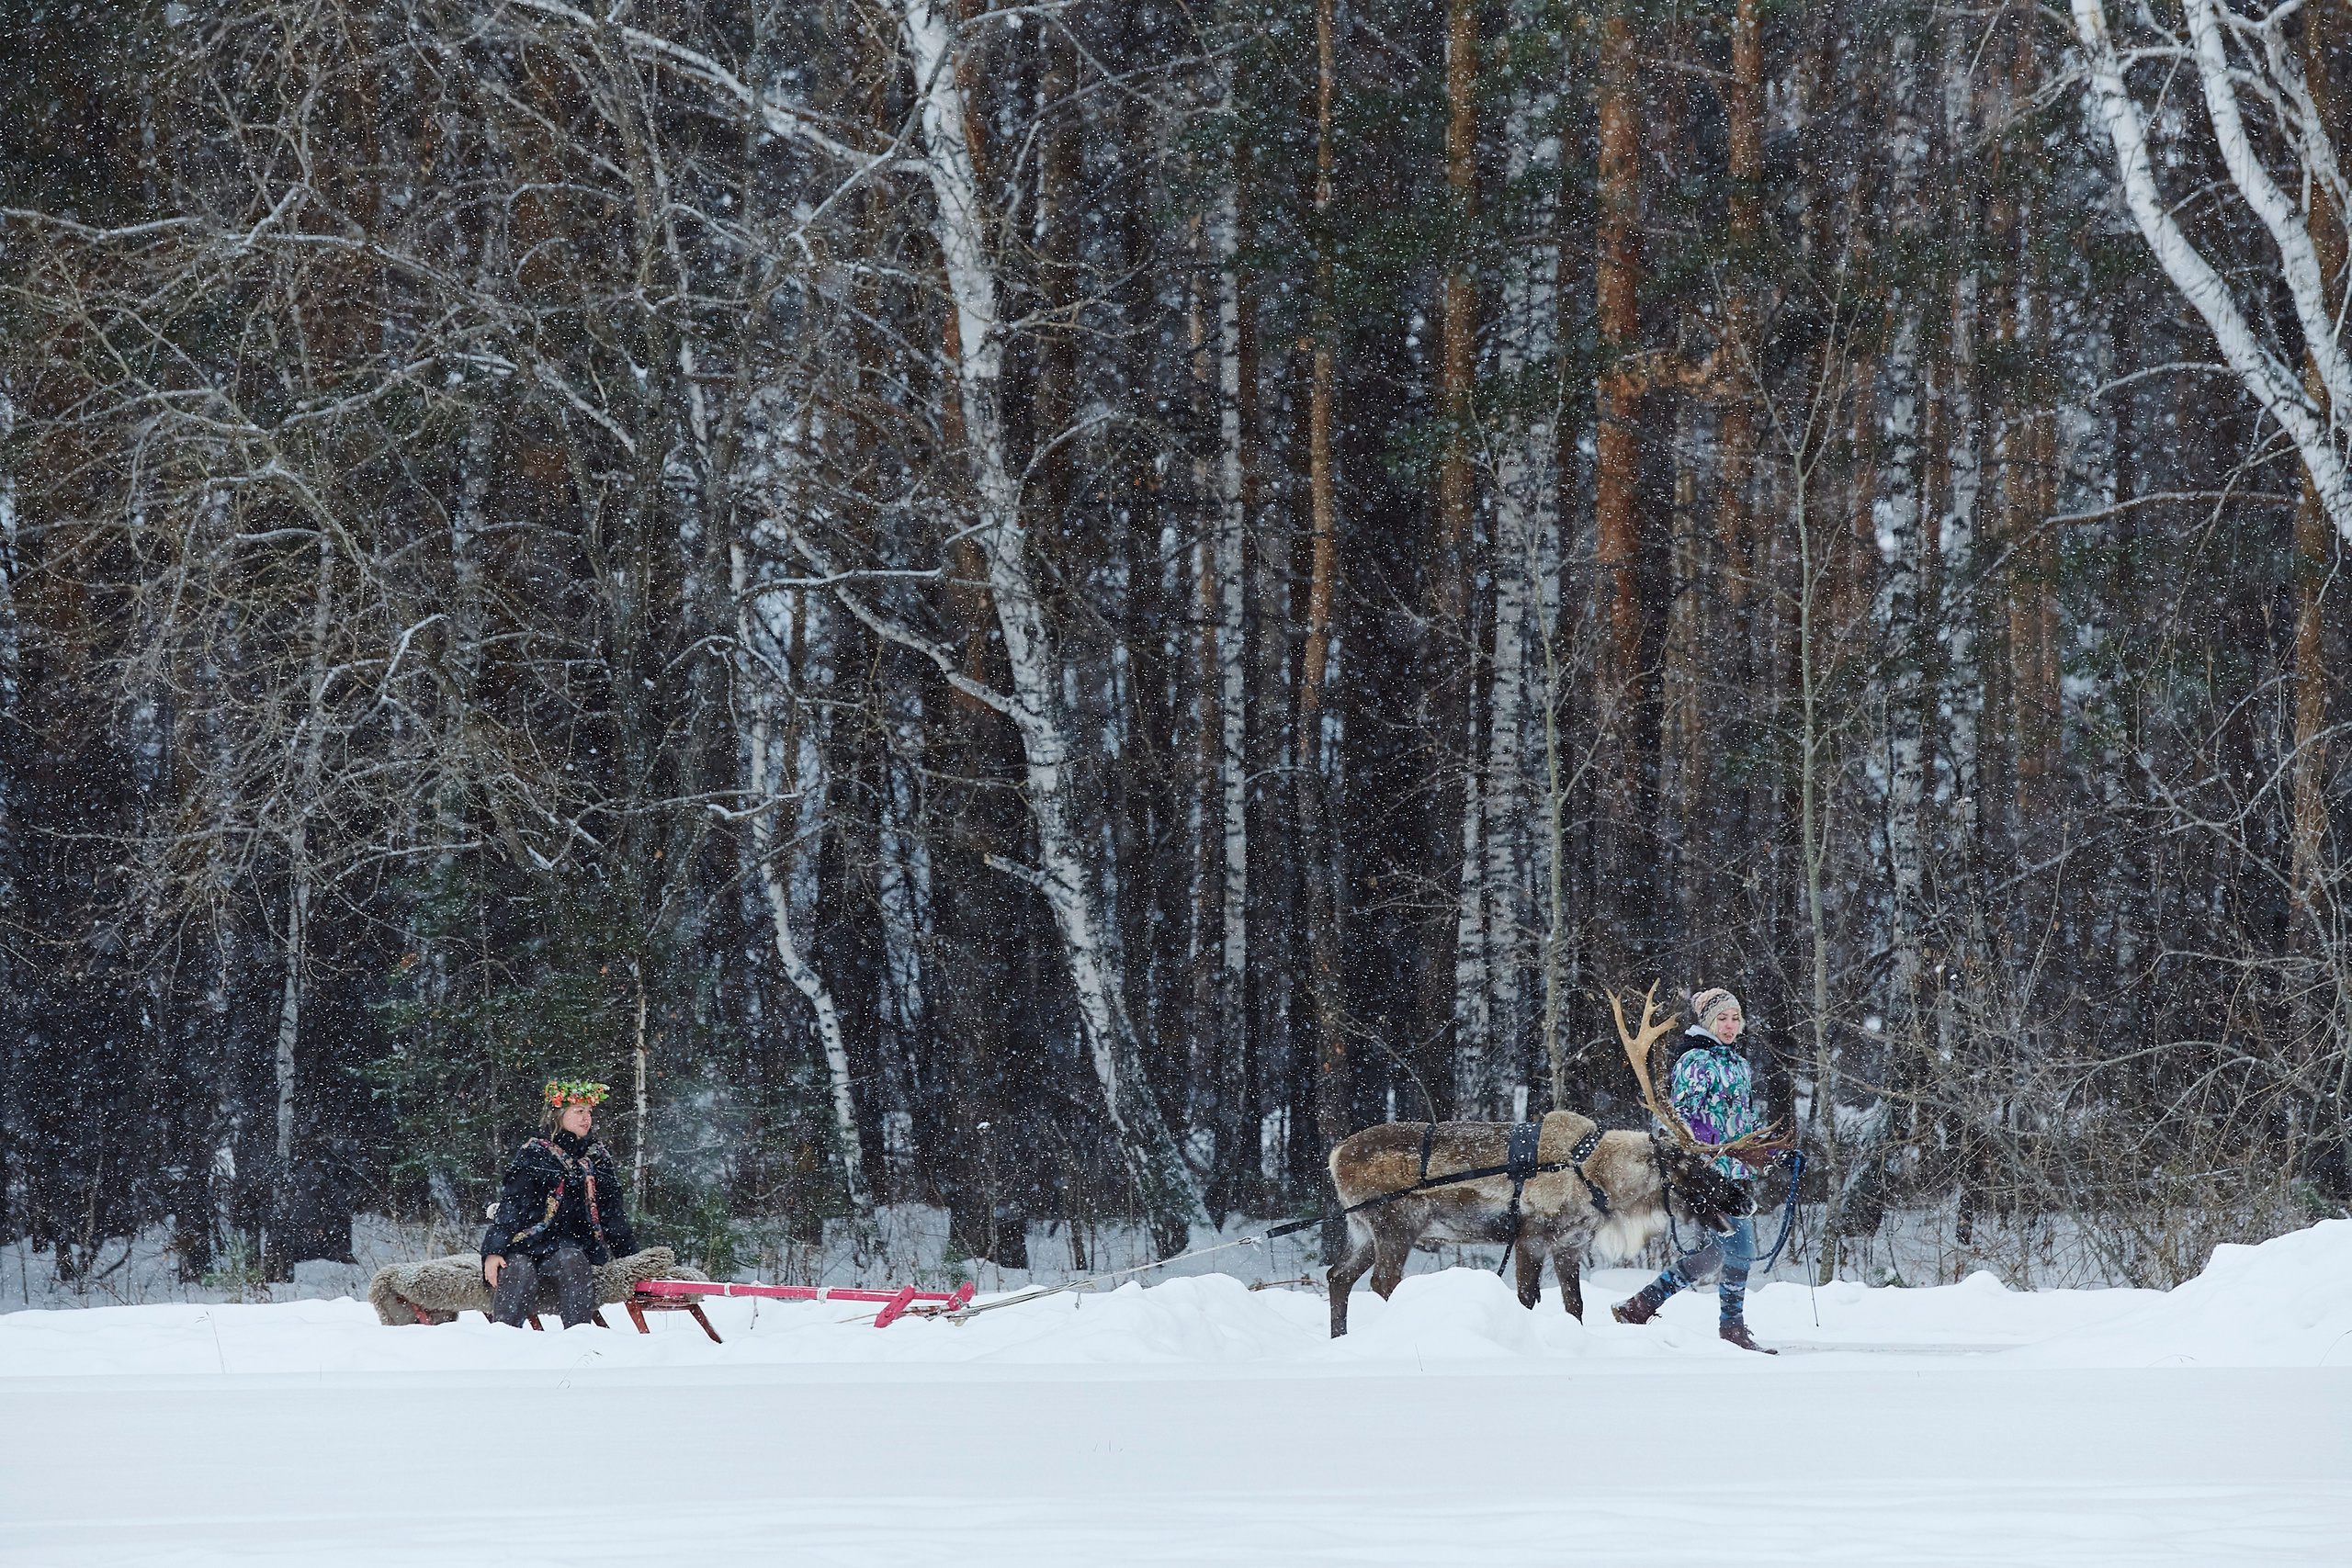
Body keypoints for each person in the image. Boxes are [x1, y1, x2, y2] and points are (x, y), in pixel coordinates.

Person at [1611, 987, 1779, 1353]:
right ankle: (1731, 1330)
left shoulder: (1738, 1063)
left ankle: (1640, 1306)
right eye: (1722, 1018)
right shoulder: (1695, 1062)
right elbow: (1682, 1121)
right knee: (1741, 1249)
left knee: (1715, 1255)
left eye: (1735, 1018)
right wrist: (1706, 1156)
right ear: (1707, 1021)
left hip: (1735, 1170)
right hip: (1706, 1174)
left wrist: (1765, 1149)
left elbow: (1744, 1119)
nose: (1730, 1025)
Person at [481, 1078, 635, 1328]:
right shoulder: (534, 1153)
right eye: (579, 1111)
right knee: (518, 1267)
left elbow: (613, 1215)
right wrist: (493, 1251)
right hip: (527, 1243)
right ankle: (503, 1344)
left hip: (573, 1245)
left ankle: (580, 1342)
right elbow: (512, 1206)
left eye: (589, 1112)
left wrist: (631, 1259)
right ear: (558, 1114)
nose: (587, 1118)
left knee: (571, 1258)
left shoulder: (598, 1158)